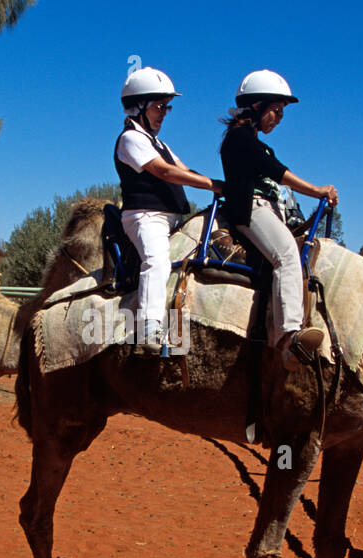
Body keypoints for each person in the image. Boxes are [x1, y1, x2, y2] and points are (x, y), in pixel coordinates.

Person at [219, 70, 339, 371]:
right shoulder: (239, 138)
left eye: (283, 112)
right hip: (253, 210)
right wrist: (316, 190)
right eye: (276, 109)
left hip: (271, 209)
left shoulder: (254, 140)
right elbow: (275, 170)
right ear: (256, 106)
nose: (280, 117)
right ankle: (288, 337)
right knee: (287, 254)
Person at [113, 67, 222, 353]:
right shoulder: (130, 139)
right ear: (139, 106)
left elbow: (184, 170)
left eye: (166, 107)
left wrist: (224, 186)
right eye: (159, 106)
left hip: (172, 218)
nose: (164, 113)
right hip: (145, 217)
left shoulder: (159, 143)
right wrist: (214, 185)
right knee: (157, 260)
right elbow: (164, 172)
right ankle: (148, 328)